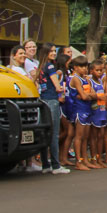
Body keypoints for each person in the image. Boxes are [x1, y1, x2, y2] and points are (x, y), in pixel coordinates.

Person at [36, 44, 70, 174]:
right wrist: (61, 89)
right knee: (54, 134)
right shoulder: (50, 67)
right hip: (52, 100)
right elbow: (57, 86)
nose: (53, 53)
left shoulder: (41, 66)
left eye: (54, 51)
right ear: (46, 52)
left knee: (45, 133)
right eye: (50, 51)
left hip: (43, 99)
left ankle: (46, 164)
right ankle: (56, 165)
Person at [67, 55, 98, 171]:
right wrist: (88, 96)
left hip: (87, 109)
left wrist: (89, 93)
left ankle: (85, 159)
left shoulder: (86, 79)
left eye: (86, 66)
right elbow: (85, 96)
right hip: (79, 110)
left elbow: (93, 94)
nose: (84, 69)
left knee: (86, 137)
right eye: (81, 66)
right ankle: (78, 161)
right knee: (79, 136)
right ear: (75, 67)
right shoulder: (75, 79)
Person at [88, 59, 107, 167]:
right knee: (94, 136)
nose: (100, 72)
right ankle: (93, 158)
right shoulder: (89, 81)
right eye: (97, 70)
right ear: (92, 71)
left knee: (101, 135)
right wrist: (102, 96)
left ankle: (99, 157)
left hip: (102, 110)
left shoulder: (101, 81)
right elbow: (91, 95)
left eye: (101, 70)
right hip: (94, 111)